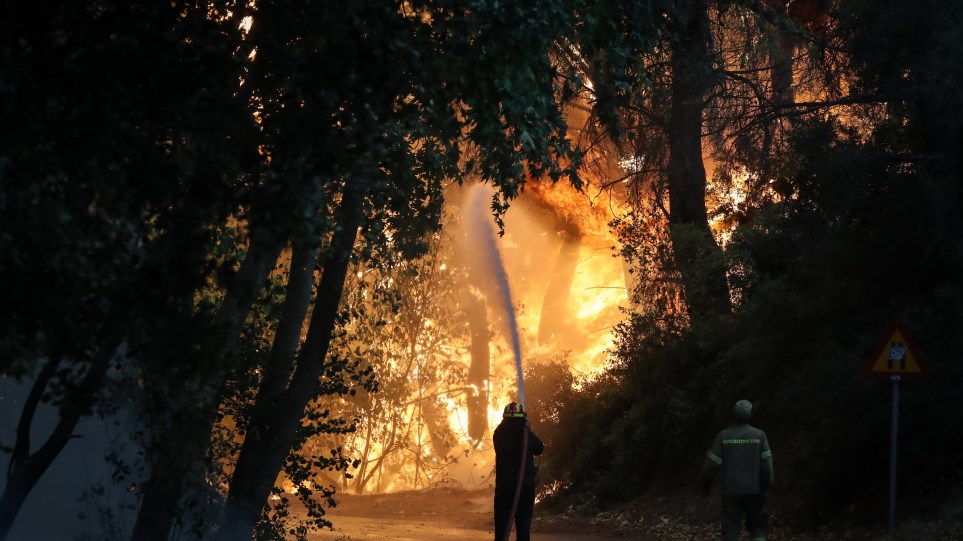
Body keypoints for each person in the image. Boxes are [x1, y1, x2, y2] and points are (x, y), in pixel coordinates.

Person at [702, 399, 774, 541]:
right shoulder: (759, 436)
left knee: (731, 530)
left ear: (733, 414)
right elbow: (767, 466)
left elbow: (711, 465)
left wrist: (706, 484)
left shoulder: (723, 436)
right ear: (750, 414)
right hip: (755, 491)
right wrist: (765, 486)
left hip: (731, 493)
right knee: (757, 528)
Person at [493, 401, 544, 541]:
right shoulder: (525, 434)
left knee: (502, 529)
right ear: (522, 417)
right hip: (524, 488)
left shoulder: (498, 434)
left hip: (504, 488)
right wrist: (528, 429)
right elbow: (539, 448)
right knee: (523, 528)